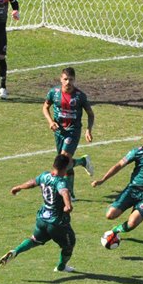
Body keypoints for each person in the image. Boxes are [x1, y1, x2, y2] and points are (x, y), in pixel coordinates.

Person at [0, 154, 76, 273]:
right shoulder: (61, 181)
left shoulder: (44, 175)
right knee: (69, 244)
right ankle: (61, 267)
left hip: (42, 219)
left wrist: (19, 187)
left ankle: (16, 251)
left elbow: (32, 182)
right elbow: (64, 191)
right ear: (66, 168)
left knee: (34, 240)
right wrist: (68, 205)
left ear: (53, 165)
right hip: (57, 223)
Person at [42, 67, 95, 196]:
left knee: (63, 160)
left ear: (74, 80)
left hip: (73, 131)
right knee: (66, 162)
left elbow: (90, 114)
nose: (68, 82)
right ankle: (72, 190)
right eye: (65, 79)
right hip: (59, 131)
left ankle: (62, 190)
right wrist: (51, 122)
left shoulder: (80, 96)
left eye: (71, 79)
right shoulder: (54, 93)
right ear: (61, 79)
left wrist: (88, 130)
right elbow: (45, 107)